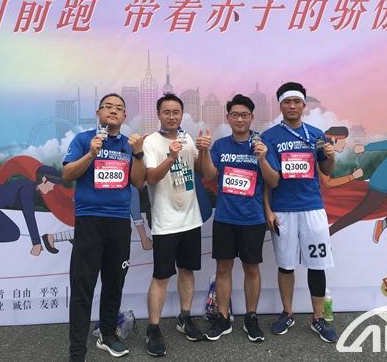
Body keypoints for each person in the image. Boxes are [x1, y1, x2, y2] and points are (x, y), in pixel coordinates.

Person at [63, 93, 146, 362]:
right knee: (83, 286)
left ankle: (108, 334)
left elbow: (138, 182)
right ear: (98, 113)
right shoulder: (83, 140)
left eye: (119, 108)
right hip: (89, 221)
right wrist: (91, 154)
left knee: (114, 283)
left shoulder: (128, 145)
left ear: (124, 116)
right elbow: (67, 174)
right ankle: (77, 351)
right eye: (108, 107)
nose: (113, 111)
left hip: (119, 223)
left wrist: (139, 154)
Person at [196, 94, 279, 342]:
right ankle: (223, 318)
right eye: (235, 115)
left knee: (251, 269)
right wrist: (203, 151)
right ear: (228, 117)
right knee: (223, 268)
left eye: (244, 115)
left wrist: (262, 159)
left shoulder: (262, 145)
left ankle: (251, 317)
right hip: (225, 218)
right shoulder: (221, 145)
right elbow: (209, 175)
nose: (240, 119)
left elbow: (274, 181)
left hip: (252, 218)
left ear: (252, 117)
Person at [261, 81, 338, 344]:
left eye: (296, 101)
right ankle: (288, 313)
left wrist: (331, 156)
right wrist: (268, 210)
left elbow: (326, 170)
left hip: (312, 208)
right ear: (280, 105)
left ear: (304, 105)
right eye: (287, 102)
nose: (292, 106)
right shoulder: (270, 137)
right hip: (283, 210)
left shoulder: (316, 134)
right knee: (286, 265)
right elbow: (268, 180)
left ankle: (318, 317)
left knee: (317, 265)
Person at [142, 93, 204, 357]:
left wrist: (204, 150)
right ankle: (153, 328)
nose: (171, 116)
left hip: (190, 219)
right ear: (159, 115)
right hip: (165, 222)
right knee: (161, 277)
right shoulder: (151, 142)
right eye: (166, 112)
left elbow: (201, 170)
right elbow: (151, 178)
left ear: (182, 114)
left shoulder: (187, 138)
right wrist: (170, 157)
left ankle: (185, 317)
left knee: (187, 271)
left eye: (176, 112)